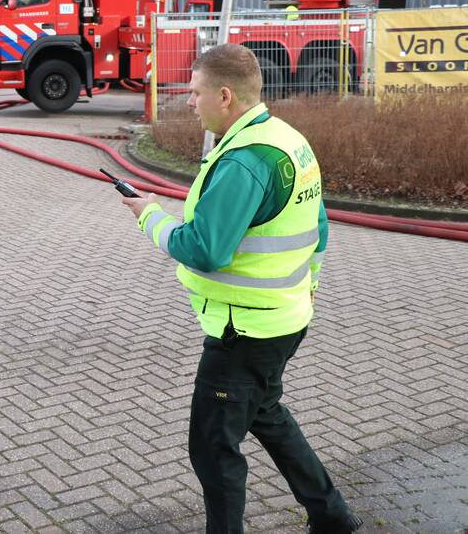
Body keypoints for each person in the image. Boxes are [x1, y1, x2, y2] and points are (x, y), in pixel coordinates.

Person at [121, 43, 362, 534]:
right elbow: (319, 226)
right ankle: (332, 515)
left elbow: (206, 249)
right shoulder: (286, 139)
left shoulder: (244, 161)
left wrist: (148, 215)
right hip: (284, 317)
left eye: (194, 93)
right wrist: (308, 289)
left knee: (213, 449)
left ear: (225, 96)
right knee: (267, 414)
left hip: (244, 332)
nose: (189, 102)